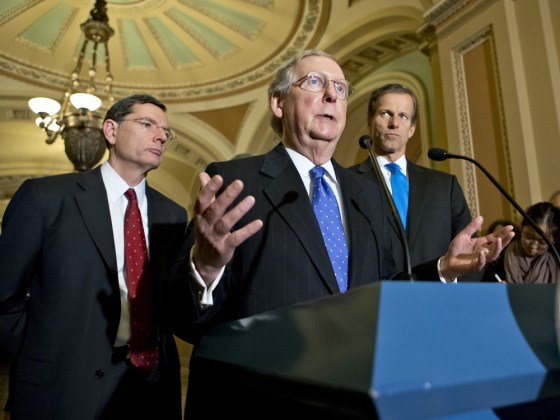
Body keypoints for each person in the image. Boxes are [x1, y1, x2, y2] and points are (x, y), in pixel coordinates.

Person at [164, 50, 514, 414]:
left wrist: (442, 268)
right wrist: (204, 267)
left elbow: (385, 290)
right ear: (279, 102)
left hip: (352, 400)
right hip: (262, 401)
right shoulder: (237, 181)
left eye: (340, 88)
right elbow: (182, 317)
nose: (332, 95)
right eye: (315, 83)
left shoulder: (367, 193)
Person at [0, 94, 188, 419]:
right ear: (111, 131)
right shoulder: (45, 198)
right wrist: (40, 354)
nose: (161, 136)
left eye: (166, 132)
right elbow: (5, 298)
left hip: (151, 388)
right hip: (61, 389)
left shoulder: (173, 215)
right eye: (147, 124)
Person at [350, 83, 475, 277]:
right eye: (385, 114)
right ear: (370, 122)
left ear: (412, 128)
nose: (394, 123)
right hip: (376, 300)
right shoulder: (346, 182)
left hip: (436, 298)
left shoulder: (444, 186)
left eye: (403, 116)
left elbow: (467, 255)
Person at [482, 202, 560, 283]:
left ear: (553, 240)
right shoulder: (502, 256)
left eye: (542, 242)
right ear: (522, 228)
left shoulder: (557, 259)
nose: (533, 246)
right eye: (529, 237)